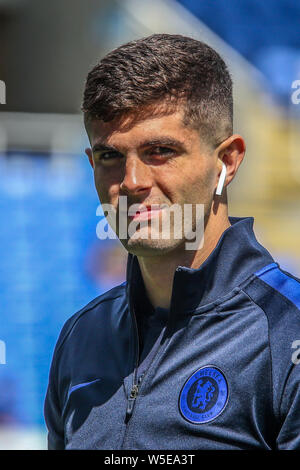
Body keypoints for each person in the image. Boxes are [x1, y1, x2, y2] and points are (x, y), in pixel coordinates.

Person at [44, 34, 300, 450]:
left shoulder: (287, 334)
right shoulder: (81, 336)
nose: (131, 183)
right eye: (110, 156)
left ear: (227, 161)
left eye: (160, 150)